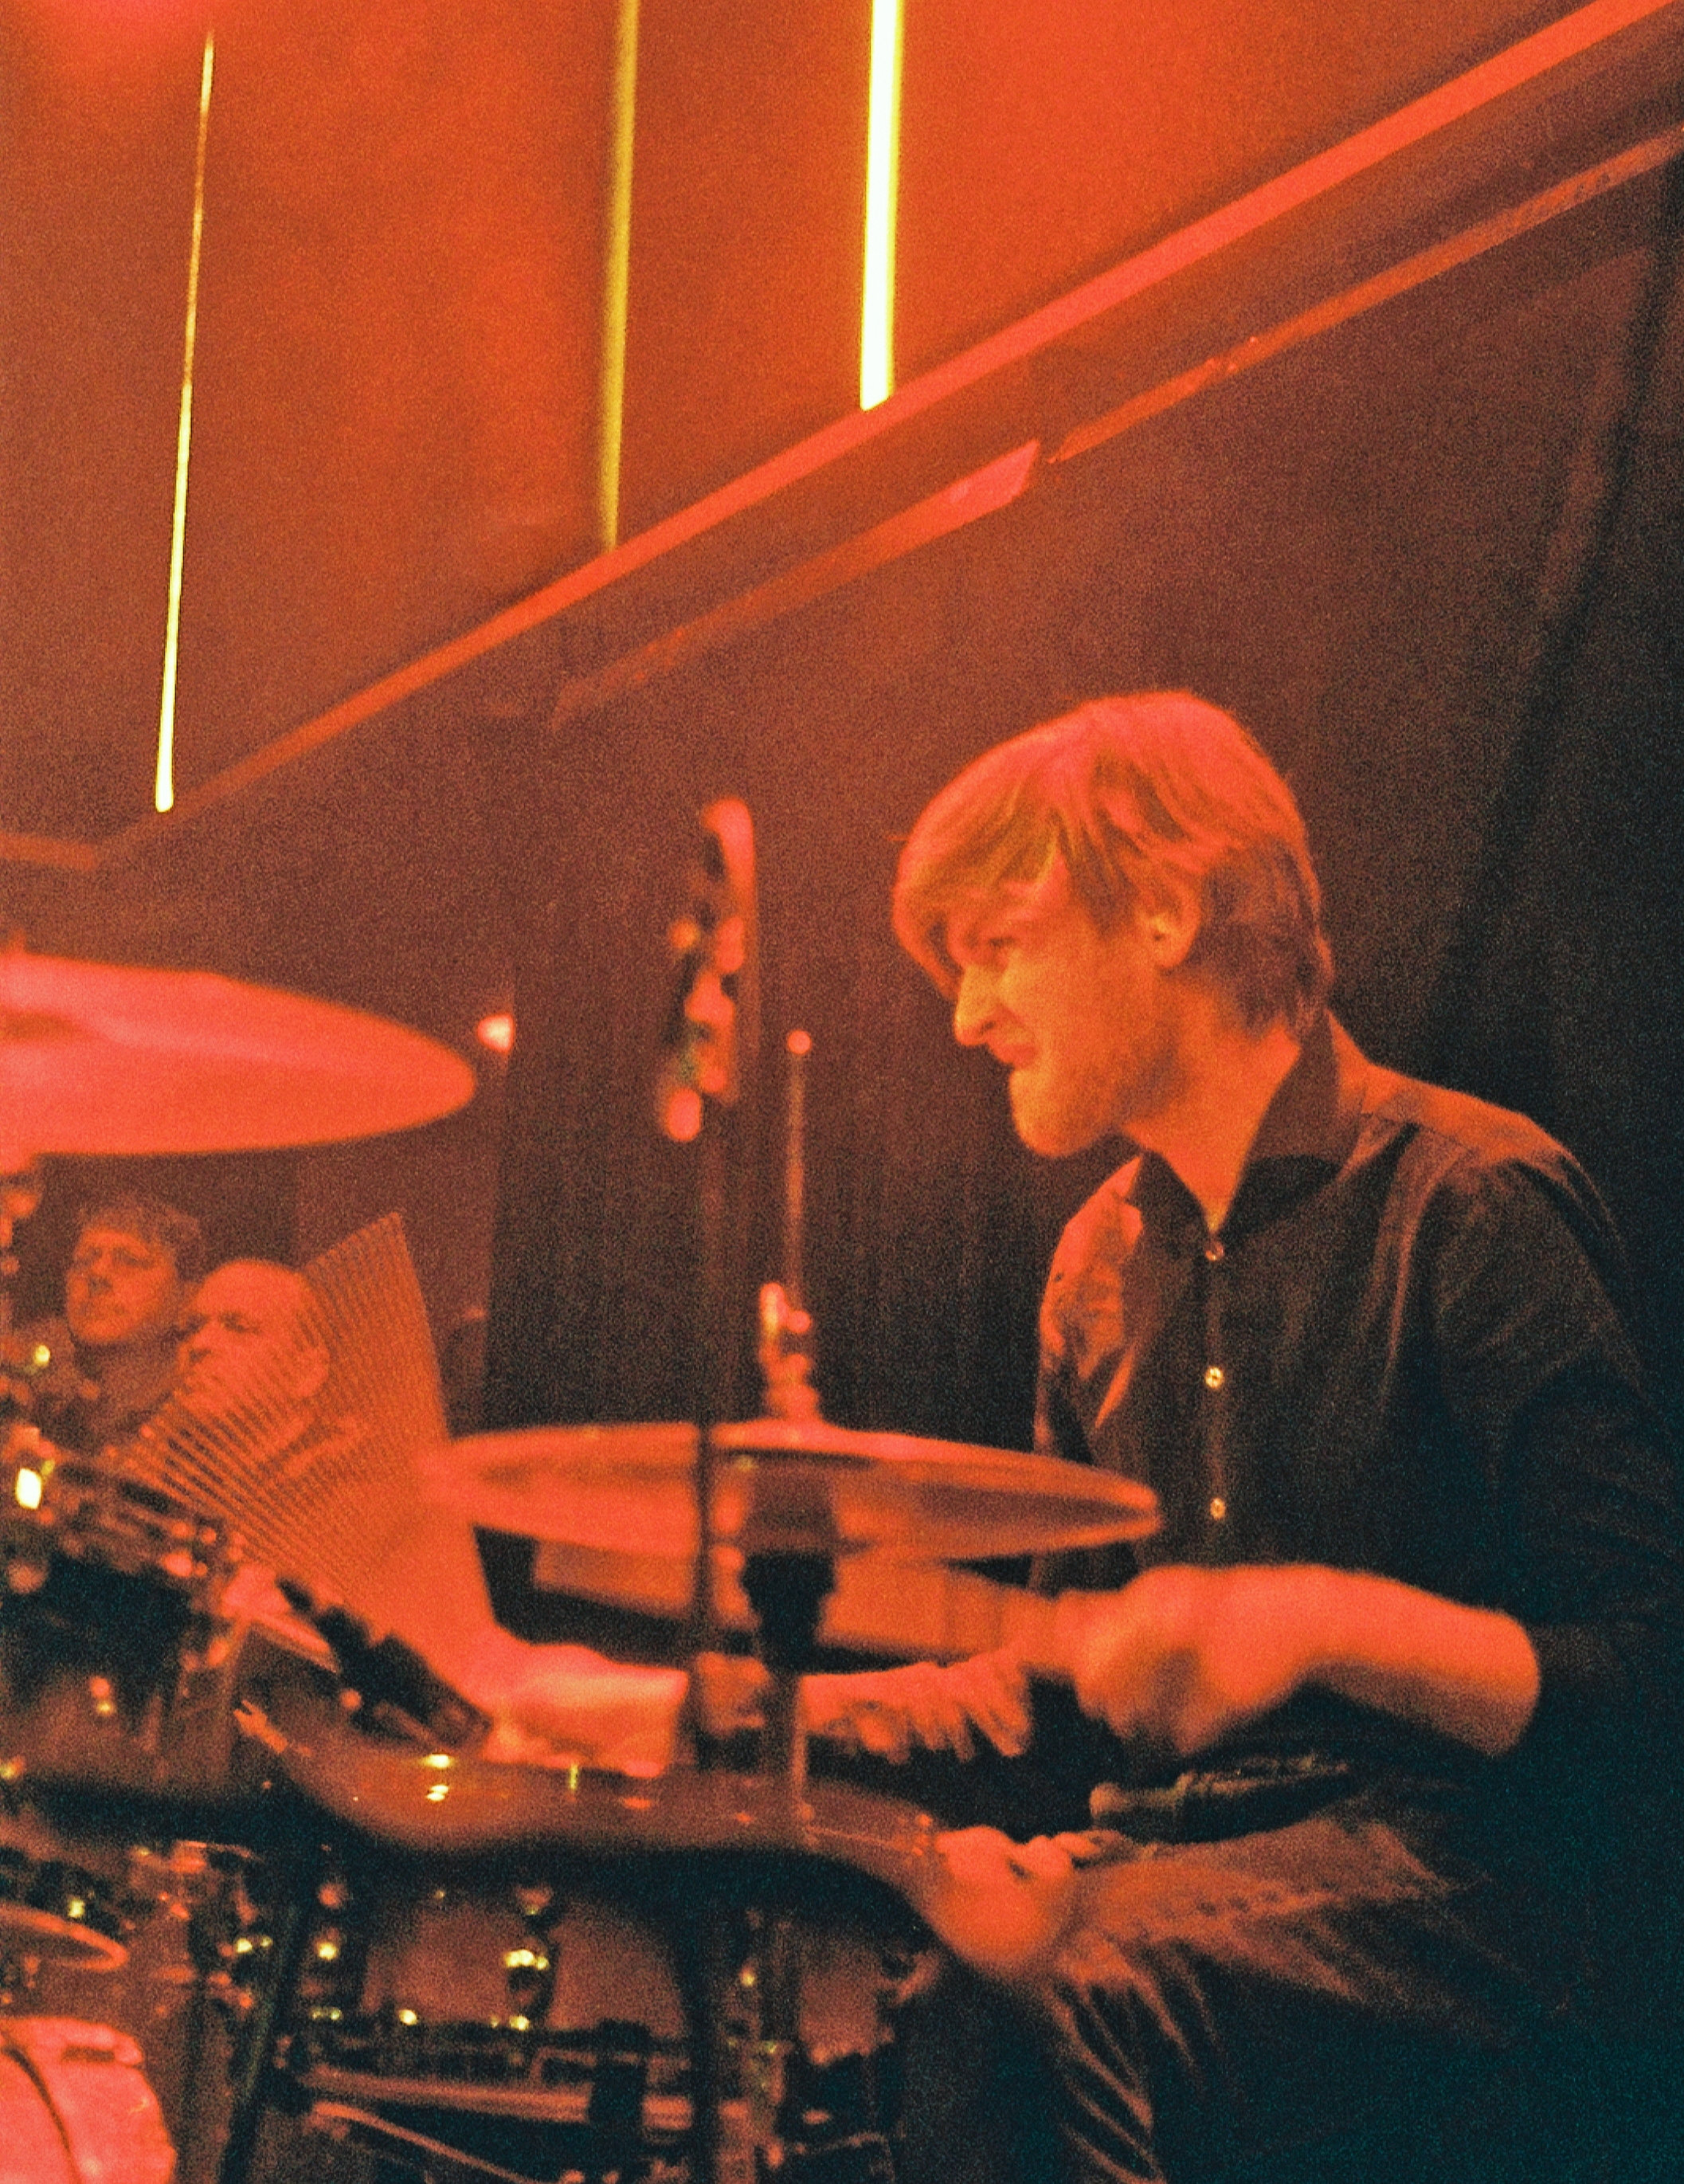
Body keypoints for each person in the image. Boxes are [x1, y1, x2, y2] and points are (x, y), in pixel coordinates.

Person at [879, 691, 1684, 2182]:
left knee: (1032, 2001)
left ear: (1168, 907)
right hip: (1182, 1870)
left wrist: (1322, 1625)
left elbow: (1647, 1689)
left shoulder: (1469, 1206)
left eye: (995, 947)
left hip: (1478, 1886)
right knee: (905, 1963)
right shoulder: (1094, 1269)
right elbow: (1078, 1694)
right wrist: (815, 1732)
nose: (964, 1015)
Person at [21, 1193, 206, 1453]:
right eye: (84, 1260)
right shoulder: (44, 1415)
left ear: (187, 1297)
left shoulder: (204, 1427)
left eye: (129, 1260)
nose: (97, 1274)